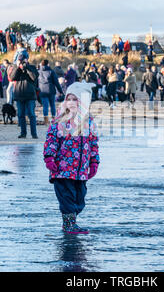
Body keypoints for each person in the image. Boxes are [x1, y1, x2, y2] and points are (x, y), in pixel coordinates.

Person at [43, 82, 100, 235]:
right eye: (69, 99)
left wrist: (94, 162)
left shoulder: (89, 122)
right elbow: (51, 140)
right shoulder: (60, 120)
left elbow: (93, 143)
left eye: (75, 99)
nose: (71, 103)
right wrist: (49, 158)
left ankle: (71, 221)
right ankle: (69, 225)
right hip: (62, 169)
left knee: (79, 200)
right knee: (67, 198)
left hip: (81, 170)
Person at [11, 54, 39, 139]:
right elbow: (12, 78)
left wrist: (27, 67)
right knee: (21, 115)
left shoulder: (32, 68)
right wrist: (17, 67)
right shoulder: (16, 68)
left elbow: (34, 77)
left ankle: (34, 134)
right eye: (20, 60)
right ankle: (23, 133)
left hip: (30, 95)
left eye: (23, 60)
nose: (22, 62)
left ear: (27, 60)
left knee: (31, 114)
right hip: (19, 95)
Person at [38, 60, 64, 125]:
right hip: (51, 90)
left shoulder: (38, 72)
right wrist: (60, 91)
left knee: (45, 106)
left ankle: (46, 121)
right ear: (48, 64)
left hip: (42, 91)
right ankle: (53, 119)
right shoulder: (51, 72)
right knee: (52, 105)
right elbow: (56, 82)